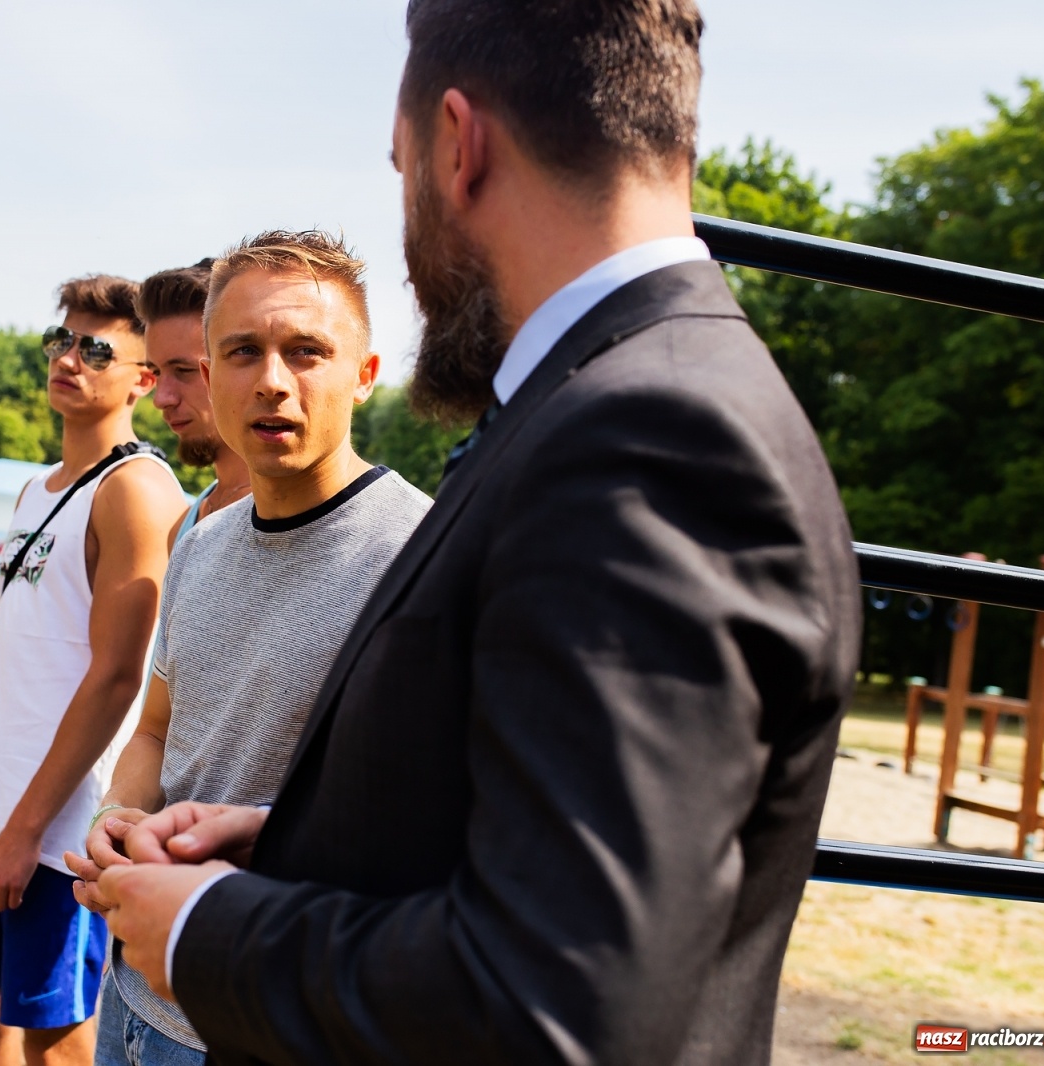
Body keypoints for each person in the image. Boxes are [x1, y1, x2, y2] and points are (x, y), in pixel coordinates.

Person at [95, 3, 862, 1064]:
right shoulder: (603, 400)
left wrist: (200, 927)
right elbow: (546, 845)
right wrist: (287, 840)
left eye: (398, 161)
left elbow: (561, 1001)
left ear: (457, 146)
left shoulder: (644, 436)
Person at [68, 232, 432, 1066]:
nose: (272, 380)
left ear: (365, 375)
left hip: (277, 1026)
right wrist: (119, 820)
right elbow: (159, 727)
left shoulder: (426, 557)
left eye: (306, 351)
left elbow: (440, 824)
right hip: (133, 1001)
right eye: (242, 352)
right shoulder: (199, 539)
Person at [0, 274, 187, 1066]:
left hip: (59, 829)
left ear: (143, 378)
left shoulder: (137, 491)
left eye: (97, 349)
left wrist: (27, 834)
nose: (70, 360)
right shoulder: (36, 488)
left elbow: (118, 678)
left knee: (55, 1037)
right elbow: (5, 647)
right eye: (62, 341)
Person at [137, 259, 252, 537]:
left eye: (183, 371)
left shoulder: (294, 519)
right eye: (156, 372)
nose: (161, 399)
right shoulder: (183, 527)